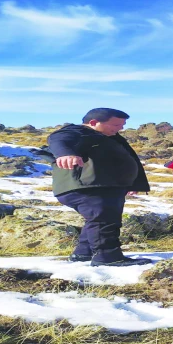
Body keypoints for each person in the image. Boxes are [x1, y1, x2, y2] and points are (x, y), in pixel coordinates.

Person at [47, 108, 152, 267]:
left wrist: (133, 183)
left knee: (98, 219)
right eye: (116, 124)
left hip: (104, 186)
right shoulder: (77, 132)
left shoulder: (108, 137)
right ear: (94, 123)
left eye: (122, 125)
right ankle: (108, 257)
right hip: (88, 186)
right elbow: (58, 139)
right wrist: (65, 154)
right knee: (104, 220)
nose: (120, 128)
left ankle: (83, 253)